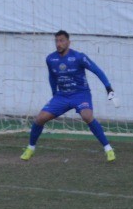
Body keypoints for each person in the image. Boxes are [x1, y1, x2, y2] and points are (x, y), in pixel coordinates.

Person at [21, 30, 117, 162]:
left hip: (80, 94)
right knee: (40, 118)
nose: (58, 44)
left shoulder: (79, 57)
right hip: (62, 96)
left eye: (61, 41)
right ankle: (30, 148)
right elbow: (52, 77)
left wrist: (108, 87)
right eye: (56, 41)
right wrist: (54, 95)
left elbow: (97, 70)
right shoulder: (51, 59)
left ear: (68, 42)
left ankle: (108, 149)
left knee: (87, 116)